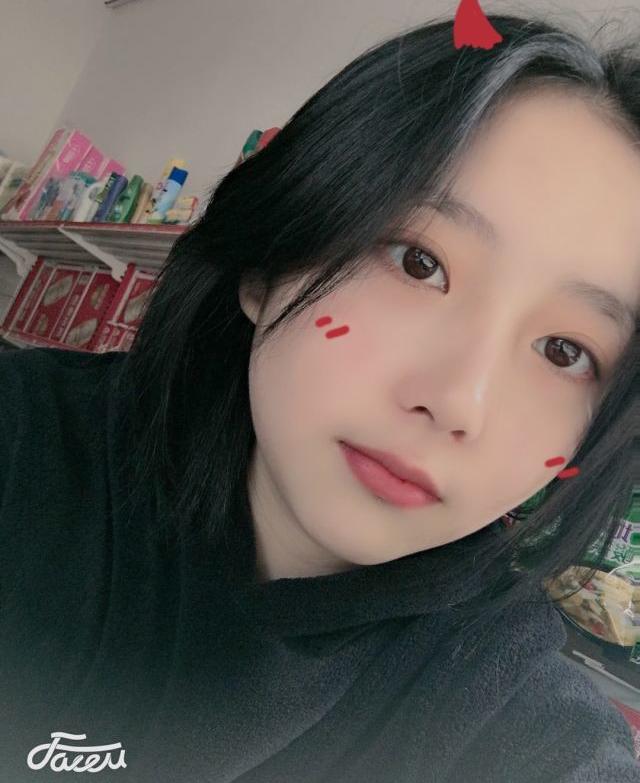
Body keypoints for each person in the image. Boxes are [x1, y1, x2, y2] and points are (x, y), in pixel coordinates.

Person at [1, 10, 639, 783]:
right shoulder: (27, 443)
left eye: (566, 351)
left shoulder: (506, 704)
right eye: (418, 262)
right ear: (270, 259)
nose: (458, 402)